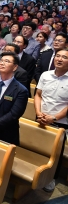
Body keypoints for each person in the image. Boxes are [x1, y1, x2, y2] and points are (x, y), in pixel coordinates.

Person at [34, 47, 68, 192]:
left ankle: (51, 178)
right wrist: (38, 112)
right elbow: (38, 95)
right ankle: (36, 173)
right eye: (58, 56)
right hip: (41, 118)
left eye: (64, 57)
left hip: (60, 122)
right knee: (37, 148)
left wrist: (54, 117)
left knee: (56, 154)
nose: (59, 59)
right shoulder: (45, 75)